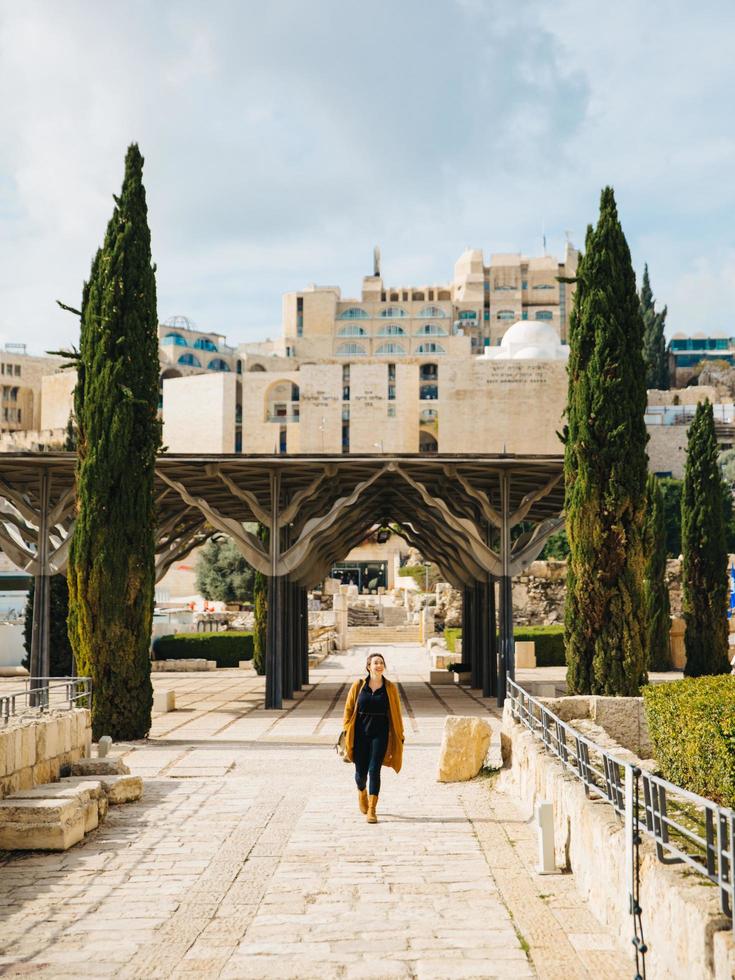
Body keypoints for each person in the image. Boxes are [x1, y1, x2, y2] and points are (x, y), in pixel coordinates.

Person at [341, 652, 405, 824]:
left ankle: (372, 809)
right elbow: (348, 709)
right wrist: (347, 729)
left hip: (380, 734)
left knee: (374, 770)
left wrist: (400, 734)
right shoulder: (358, 685)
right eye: (375, 662)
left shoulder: (390, 688)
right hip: (360, 734)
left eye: (381, 662)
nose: (379, 665)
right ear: (368, 666)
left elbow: (397, 713)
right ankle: (361, 790)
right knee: (361, 773)